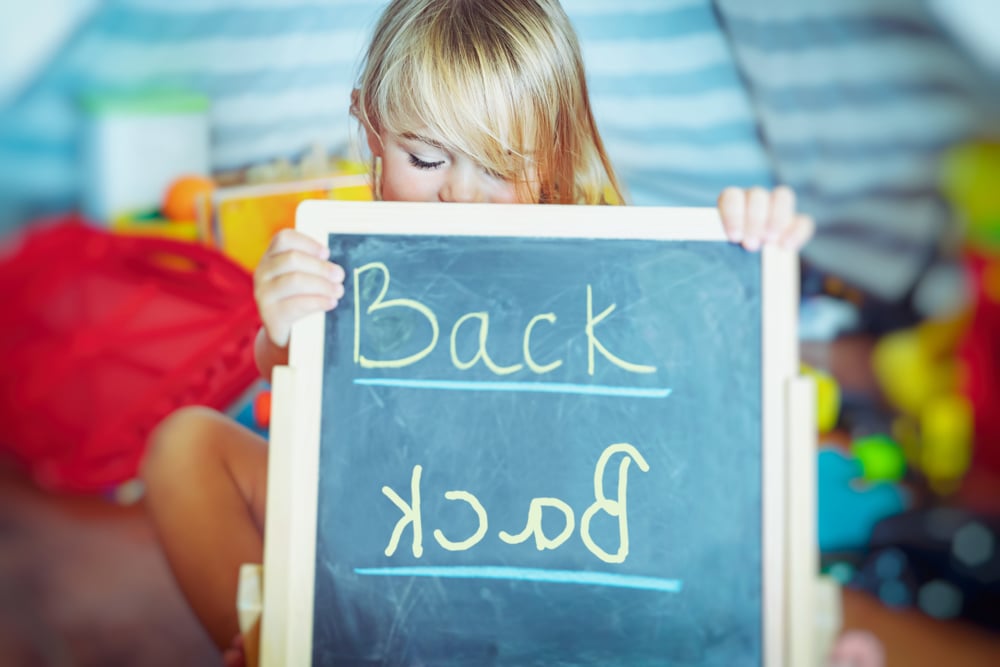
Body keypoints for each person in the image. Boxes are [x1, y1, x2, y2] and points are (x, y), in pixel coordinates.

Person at [142, 1, 877, 665]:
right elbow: (290, 378)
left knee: (757, 580)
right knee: (185, 443)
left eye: (498, 167)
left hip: (566, 562)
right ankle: (288, 643)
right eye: (425, 158)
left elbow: (691, 401)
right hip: (381, 544)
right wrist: (284, 319)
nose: (458, 192)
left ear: (554, 156)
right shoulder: (354, 253)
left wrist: (747, 243)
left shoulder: (606, 253)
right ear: (368, 124)